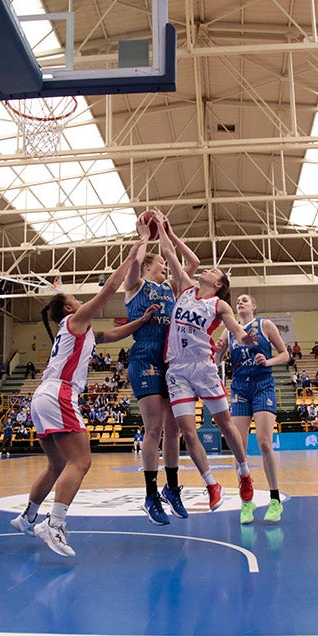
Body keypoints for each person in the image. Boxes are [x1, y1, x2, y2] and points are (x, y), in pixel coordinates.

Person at [10, 231, 159, 557]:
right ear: (68, 308)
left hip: (42, 397)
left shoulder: (82, 332)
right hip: (59, 393)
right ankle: (54, 523)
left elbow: (113, 333)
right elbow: (108, 291)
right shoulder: (76, 319)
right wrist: (135, 251)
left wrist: (143, 320)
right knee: (81, 461)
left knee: (56, 465)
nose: (81, 302)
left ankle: (28, 516)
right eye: (75, 299)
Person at [156, 211, 258, 513]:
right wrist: (164, 229)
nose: (209, 269)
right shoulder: (185, 287)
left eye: (214, 270)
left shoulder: (219, 303)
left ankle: (244, 473)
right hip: (177, 370)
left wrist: (243, 337)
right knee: (187, 431)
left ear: (218, 283)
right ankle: (212, 484)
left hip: (203, 368)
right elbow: (168, 253)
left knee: (226, 425)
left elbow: (235, 328)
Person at [122, 208, 211, 525]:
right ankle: (150, 494)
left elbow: (194, 264)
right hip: (145, 359)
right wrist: (144, 238)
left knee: (174, 431)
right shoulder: (135, 286)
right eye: (159, 263)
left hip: (171, 363)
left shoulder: (172, 290)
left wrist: (169, 234)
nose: (164, 265)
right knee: (154, 428)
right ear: (149, 266)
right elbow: (133, 264)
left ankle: (172, 488)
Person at [216, 293, 290, 524]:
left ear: (254, 306)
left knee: (265, 443)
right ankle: (246, 501)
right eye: (237, 300)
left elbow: (285, 354)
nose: (240, 302)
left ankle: (275, 499)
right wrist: (217, 350)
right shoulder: (229, 330)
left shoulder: (265, 325)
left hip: (263, 385)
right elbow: (216, 358)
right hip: (239, 387)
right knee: (239, 449)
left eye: (245, 300)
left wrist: (267, 362)